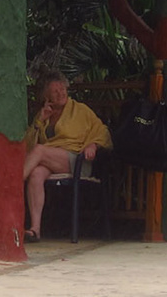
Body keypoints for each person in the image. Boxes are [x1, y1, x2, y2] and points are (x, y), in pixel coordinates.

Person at [20, 71, 112, 241]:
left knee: (40, 150)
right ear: (46, 96)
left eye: (63, 89)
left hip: (77, 160)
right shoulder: (44, 116)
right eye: (55, 91)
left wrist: (93, 144)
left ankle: (9, 189)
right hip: (51, 159)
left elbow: (103, 131)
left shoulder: (80, 110)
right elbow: (28, 147)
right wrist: (39, 120)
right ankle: (35, 229)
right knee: (36, 173)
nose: (61, 93)